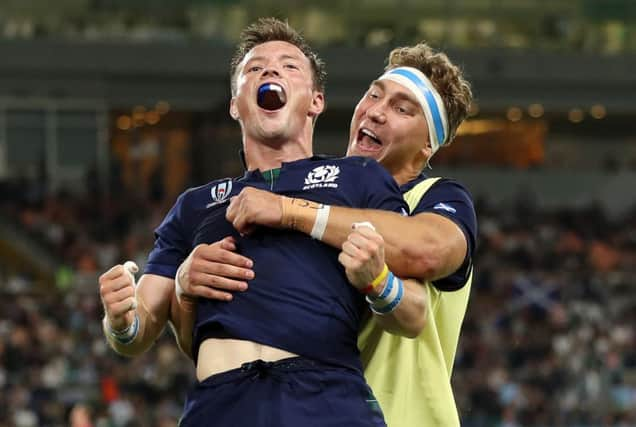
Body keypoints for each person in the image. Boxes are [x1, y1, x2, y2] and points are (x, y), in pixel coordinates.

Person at [98, 17, 415, 427]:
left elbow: (414, 311)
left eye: (289, 66)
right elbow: (137, 332)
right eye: (254, 68)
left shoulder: (359, 178)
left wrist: (377, 278)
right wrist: (120, 319)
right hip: (220, 404)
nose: (270, 70)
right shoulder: (193, 206)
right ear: (235, 105)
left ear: (315, 101)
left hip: (326, 397)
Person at [178, 42, 476, 426]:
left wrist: (291, 210)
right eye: (373, 96)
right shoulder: (331, 195)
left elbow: (428, 250)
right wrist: (185, 289)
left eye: (402, 109)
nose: (377, 112)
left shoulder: (436, 196)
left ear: (426, 146)